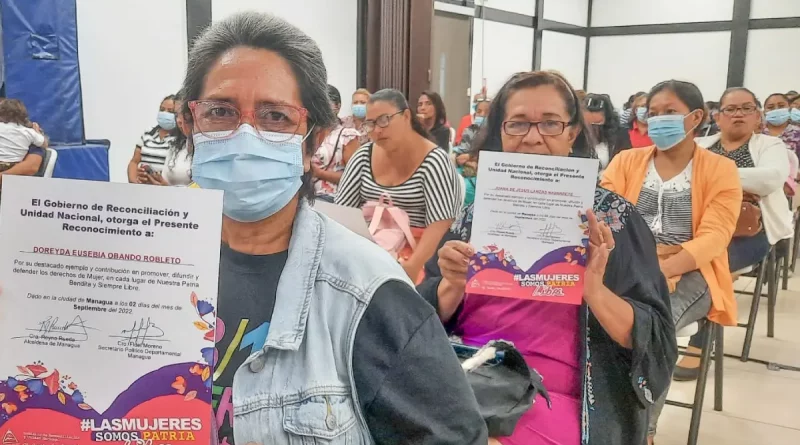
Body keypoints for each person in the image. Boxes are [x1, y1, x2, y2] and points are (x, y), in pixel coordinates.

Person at [182, 12, 487, 445]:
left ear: (311, 142)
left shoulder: (369, 291)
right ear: (190, 127)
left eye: (275, 116)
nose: (244, 136)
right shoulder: (138, 268)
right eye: (220, 111)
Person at [418, 71, 677, 445]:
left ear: (572, 133)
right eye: (518, 123)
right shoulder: (475, 216)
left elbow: (654, 341)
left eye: (551, 123)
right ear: (502, 133)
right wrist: (451, 285)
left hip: (557, 394)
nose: (533, 137)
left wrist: (596, 292)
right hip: (463, 374)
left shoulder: (614, 220)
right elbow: (422, 318)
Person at [601, 80, 741, 444]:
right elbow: (605, 216)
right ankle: (601, 414)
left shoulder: (720, 169)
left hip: (693, 271)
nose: (658, 120)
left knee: (651, 330)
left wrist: (662, 270)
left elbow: (715, 236)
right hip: (628, 264)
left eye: (670, 113)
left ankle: (642, 431)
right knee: (598, 322)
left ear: (695, 117)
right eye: (653, 113)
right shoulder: (626, 160)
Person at [670, 87, 794, 381]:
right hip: (694, 229)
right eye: (731, 109)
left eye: (746, 108)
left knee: (710, 268)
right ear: (717, 116)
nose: (738, 114)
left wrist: (710, 175)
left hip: (749, 234)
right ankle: (658, 320)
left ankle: (693, 342)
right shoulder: (699, 144)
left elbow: (770, 179)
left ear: (757, 116)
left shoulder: (770, 146)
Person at [336, 89, 463, 280]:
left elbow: (440, 224)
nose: (377, 130)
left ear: (406, 116)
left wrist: (412, 267)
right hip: (367, 250)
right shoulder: (363, 157)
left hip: (418, 254)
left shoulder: (434, 160)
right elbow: (342, 212)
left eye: (384, 120)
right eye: (370, 123)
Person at [311, 85, 361, 200]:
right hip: (306, 197)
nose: (321, 109)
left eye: (325, 104)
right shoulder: (310, 134)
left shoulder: (347, 136)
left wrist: (320, 173)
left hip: (333, 199)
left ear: (338, 107)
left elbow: (355, 178)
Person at [140, 98, 193, 187]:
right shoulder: (176, 145)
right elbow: (166, 181)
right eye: (177, 115)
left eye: (170, 111)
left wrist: (167, 187)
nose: (179, 120)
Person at [127, 94, 177, 183]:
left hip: (166, 189)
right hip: (143, 186)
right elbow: (134, 161)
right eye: (162, 110)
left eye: (170, 111)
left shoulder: (180, 139)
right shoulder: (148, 133)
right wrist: (134, 182)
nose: (165, 113)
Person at [582, 93, 631, 174]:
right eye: (588, 124)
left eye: (597, 123)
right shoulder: (575, 136)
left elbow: (625, 164)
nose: (592, 129)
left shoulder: (621, 136)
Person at [0, 99, 47, 172]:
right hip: (13, 165)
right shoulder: (29, 132)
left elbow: (31, 167)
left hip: (12, 175)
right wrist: (37, 132)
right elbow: (44, 143)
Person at [762, 93, 800, 159]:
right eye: (770, 107)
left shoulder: (797, 133)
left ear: (789, 108)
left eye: (781, 106)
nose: (776, 109)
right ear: (764, 112)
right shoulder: (757, 132)